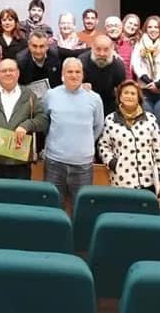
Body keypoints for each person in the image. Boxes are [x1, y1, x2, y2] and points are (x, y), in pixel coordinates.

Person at [43, 58, 104, 207]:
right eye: (70, 71)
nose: (74, 75)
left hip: (83, 166)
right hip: (54, 163)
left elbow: (98, 126)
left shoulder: (94, 99)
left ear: (83, 75)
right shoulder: (51, 95)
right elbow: (45, 123)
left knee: (81, 209)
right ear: (63, 74)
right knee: (52, 208)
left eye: (78, 72)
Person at [0, 58, 49, 180]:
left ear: (18, 73)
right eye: (4, 70)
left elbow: (43, 120)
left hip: (20, 161)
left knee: (19, 198)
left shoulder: (29, 95)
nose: (8, 73)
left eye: (11, 70)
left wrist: (26, 126)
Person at [98, 80, 160, 193]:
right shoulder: (110, 119)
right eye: (126, 93)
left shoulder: (150, 119)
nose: (129, 96)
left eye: (133, 93)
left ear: (138, 98)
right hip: (121, 180)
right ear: (120, 97)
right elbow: (103, 145)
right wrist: (112, 163)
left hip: (148, 180)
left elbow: (159, 149)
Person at [131, 16, 160, 137]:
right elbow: (136, 64)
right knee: (145, 128)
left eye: (156, 27)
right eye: (150, 27)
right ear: (145, 29)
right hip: (144, 90)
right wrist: (148, 81)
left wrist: (159, 83)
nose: (153, 29)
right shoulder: (139, 45)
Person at [79, 34, 128, 116]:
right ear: (92, 48)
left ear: (112, 49)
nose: (102, 54)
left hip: (109, 103)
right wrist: (80, 87)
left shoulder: (118, 65)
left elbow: (122, 90)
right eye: (98, 49)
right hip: (85, 103)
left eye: (106, 50)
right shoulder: (81, 62)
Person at [117, 13, 141, 78]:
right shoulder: (115, 39)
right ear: (124, 23)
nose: (132, 26)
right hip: (116, 78)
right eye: (130, 23)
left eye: (135, 25)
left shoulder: (139, 43)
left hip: (131, 80)